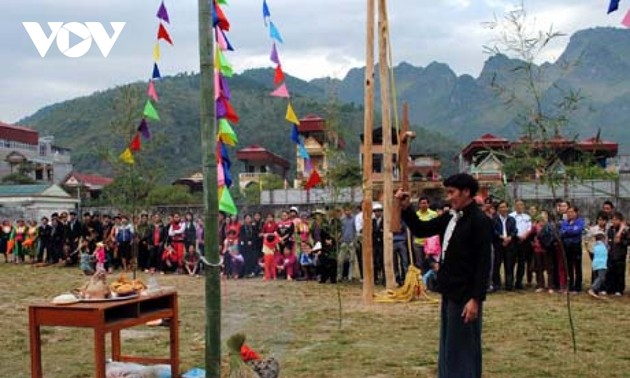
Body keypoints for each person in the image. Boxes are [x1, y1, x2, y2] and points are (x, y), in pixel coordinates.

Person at [397, 173, 491, 378]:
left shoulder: (480, 221)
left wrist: (475, 299)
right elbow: (422, 230)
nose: (449, 197)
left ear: (467, 192)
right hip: (449, 290)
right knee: (449, 344)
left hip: (466, 295)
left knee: (463, 346)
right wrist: (406, 208)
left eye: (452, 192)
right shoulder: (450, 217)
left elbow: (484, 264)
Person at [559, 206, 585, 293]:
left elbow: (576, 231)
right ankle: (570, 286)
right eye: (568, 212)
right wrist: (569, 230)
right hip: (566, 246)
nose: (569, 214)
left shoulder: (580, 222)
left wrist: (567, 231)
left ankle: (578, 287)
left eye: (571, 212)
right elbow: (561, 232)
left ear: (576, 213)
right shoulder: (565, 222)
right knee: (568, 267)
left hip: (576, 246)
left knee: (577, 266)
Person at [492, 201, 517, 291]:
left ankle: (509, 285)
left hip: (510, 245)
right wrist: (501, 237)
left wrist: (510, 237)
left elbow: (514, 230)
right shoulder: (494, 219)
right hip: (498, 244)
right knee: (497, 265)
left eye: (504, 207)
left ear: (507, 208)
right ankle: (497, 285)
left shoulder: (512, 219)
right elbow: (493, 231)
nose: (503, 209)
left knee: (509, 265)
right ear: (498, 209)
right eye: (501, 207)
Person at [510, 200, 533, 289]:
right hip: (514, 241)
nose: (520, 207)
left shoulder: (527, 217)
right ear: (515, 206)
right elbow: (510, 228)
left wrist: (525, 236)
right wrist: (516, 235)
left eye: (521, 205)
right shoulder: (511, 216)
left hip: (524, 242)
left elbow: (529, 228)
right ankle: (510, 282)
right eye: (518, 205)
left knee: (522, 263)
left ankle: (519, 282)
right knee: (511, 263)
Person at [606, 212, 628, 296]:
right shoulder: (611, 229)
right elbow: (611, 240)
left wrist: (621, 239)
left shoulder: (624, 231)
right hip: (611, 254)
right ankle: (610, 288)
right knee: (610, 271)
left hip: (620, 255)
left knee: (620, 272)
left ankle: (619, 289)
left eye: (616, 220)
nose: (614, 221)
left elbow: (626, 242)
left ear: (620, 221)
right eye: (613, 219)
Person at [414, 196, 438, 268]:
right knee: (419, 263)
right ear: (419, 205)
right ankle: (421, 278)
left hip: (430, 244)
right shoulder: (416, 215)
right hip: (418, 243)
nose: (423, 205)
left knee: (430, 262)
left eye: (425, 203)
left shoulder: (434, 214)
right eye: (422, 203)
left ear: (428, 204)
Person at [338, 205, 358, 282]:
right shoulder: (342, 220)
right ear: (344, 211)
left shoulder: (354, 219)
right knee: (340, 260)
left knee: (352, 260)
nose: (348, 212)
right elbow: (340, 231)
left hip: (351, 243)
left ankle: (350, 277)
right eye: (346, 210)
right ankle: (339, 276)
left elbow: (356, 231)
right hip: (344, 243)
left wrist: (354, 241)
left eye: (349, 210)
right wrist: (341, 240)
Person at [588, 232, 608, 298]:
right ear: (602, 239)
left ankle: (596, 292)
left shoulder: (595, 246)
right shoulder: (604, 246)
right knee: (601, 278)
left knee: (596, 278)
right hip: (602, 264)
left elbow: (591, 252)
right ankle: (592, 289)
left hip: (595, 264)